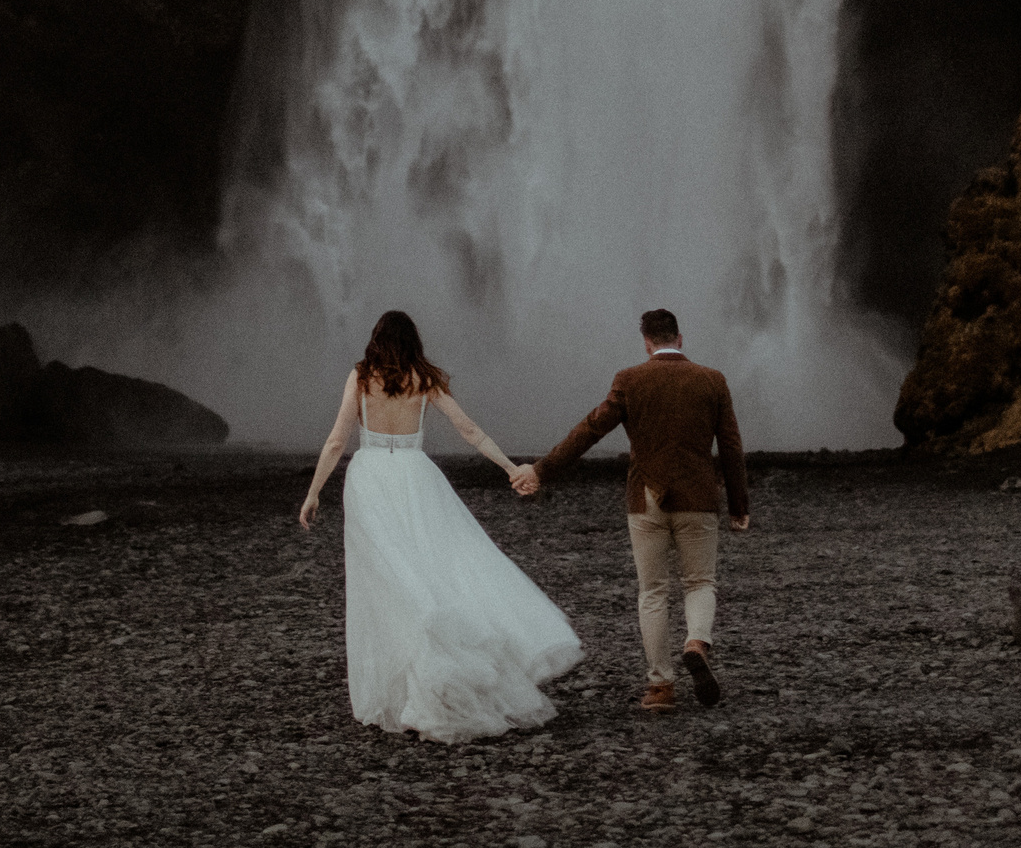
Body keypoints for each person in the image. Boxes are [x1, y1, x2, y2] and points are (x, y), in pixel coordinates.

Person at [298, 310, 582, 742]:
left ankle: (410, 687)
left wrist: (314, 492)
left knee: (387, 582)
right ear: (413, 341)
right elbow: (467, 429)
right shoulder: (424, 378)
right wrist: (509, 467)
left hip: (370, 478)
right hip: (416, 474)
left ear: (376, 340)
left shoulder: (361, 377)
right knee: (434, 567)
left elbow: (338, 439)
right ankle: (436, 676)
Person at [511, 308, 749, 713]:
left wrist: (541, 470)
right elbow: (730, 445)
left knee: (652, 592)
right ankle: (696, 642)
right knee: (699, 582)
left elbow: (590, 430)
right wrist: (739, 504)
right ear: (680, 338)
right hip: (698, 498)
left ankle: (661, 687)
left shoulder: (629, 380)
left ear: (646, 342)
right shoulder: (712, 380)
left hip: (646, 498)